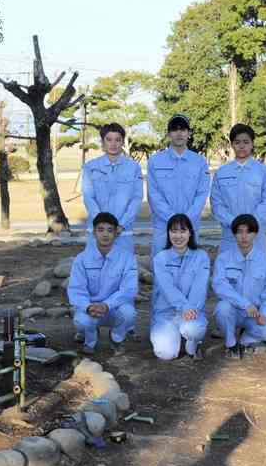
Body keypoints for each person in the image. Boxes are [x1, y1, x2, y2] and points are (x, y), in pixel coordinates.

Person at [211, 214, 266, 359]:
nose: (244, 236)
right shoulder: (223, 259)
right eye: (239, 231)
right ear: (234, 234)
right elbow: (220, 286)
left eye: (248, 232)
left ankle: (246, 338)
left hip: (255, 314)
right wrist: (245, 304)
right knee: (222, 309)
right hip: (233, 311)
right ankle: (231, 344)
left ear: (255, 234)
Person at [67, 212, 138, 355]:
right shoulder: (82, 259)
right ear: (94, 232)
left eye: (110, 230)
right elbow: (76, 290)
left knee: (129, 314)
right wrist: (87, 307)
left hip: (114, 308)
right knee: (81, 321)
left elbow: (129, 289)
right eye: (100, 230)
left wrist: (107, 305)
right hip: (91, 308)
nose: (105, 234)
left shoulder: (127, 258)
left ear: (116, 233)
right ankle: (90, 340)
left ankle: (117, 339)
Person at [147, 114, 211, 258]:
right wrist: (172, 219)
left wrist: (186, 220)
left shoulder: (199, 162)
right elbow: (153, 194)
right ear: (169, 134)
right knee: (162, 270)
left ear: (189, 133)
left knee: (189, 270)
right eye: (174, 130)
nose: (179, 133)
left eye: (183, 129)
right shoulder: (156, 161)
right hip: (163, 226)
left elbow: (202, 193)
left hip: (190, 226)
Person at [210, 123, 266, 255]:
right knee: (229, 273)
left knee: (256, 274)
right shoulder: (222, 173)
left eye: (246, 142)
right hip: (230, 236)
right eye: (237, 142)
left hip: (256, 236)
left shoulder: (263, 172)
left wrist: (251, 224)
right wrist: (234, 223)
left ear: (252, 144)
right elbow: (216, 204)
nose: (242, 146)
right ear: (232, 145)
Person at [149, 214, 210, 361]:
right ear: (168, 233)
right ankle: (172, 336)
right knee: (165, 354)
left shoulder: (201, 256)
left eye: (182, 231)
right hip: (166, 313)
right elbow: (167, 288)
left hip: (192, 311)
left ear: (190, 233)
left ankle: (193, 343)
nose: (178, 236)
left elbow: (199, 288)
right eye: (173, 231)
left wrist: (189, 309)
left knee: (192, 329)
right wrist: (184, 307)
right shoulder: (160, 258)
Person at [82, 123, 143, 253]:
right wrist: (102, 225)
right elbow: (89, 197)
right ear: (103, 142)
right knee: (95, 269)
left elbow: (136, 198)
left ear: (122, 142)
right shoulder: (91, 167)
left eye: (118, 140)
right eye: (109, 140)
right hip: (97, 231)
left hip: (123, 231)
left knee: (123, 268)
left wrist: (121, 225)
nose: (113, 144)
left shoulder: (134, 168)